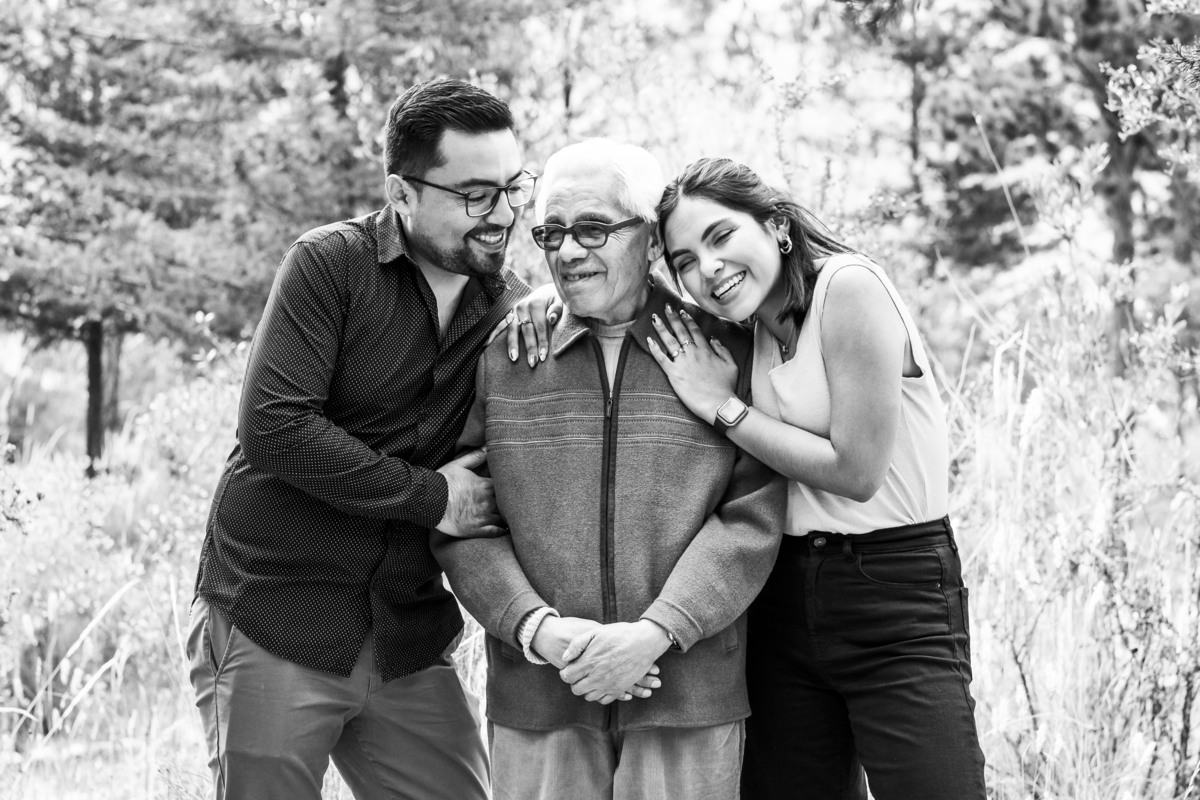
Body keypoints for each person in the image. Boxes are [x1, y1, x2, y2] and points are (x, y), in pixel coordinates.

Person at [186, 78, 535, 800]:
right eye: (475, 194)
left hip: (407, 634)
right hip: (276, 617)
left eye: (512, 188)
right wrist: (432, 497)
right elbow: (275, 429)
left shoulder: (514, 308)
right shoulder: (329, 266)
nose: (502, 214)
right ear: (402, 194)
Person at [432, 139, 785, 800]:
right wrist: (540, 630)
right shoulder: (509, 353)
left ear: (651, 240)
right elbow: (465, 518)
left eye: (593, 229)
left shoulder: (722, 349)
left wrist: (654, 635)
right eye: (552, 232)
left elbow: (753, 514)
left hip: (687, 695)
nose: (567, 252)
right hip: (540, 695)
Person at [642, 157, 987, 799]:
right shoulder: (748, 328)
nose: (707, 269)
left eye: (720, 237)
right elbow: (629, 302)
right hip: (781, 594)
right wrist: (543, 303)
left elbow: (856, 472)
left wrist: (724, 409)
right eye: (684, 260)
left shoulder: (848, 288)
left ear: (775, 226)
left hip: (893, 590)